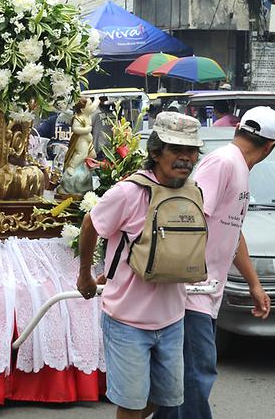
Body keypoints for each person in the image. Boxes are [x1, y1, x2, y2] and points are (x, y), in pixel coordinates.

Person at [156, 106, 275, 419]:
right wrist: (187, 276)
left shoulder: (237, 166)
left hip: (207, 291)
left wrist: (254, 283)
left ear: (239, 129)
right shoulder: (223, 162)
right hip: (192, 291)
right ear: (271, 146)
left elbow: (232, 231)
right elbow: (189, 218)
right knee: (197, 374)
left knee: (188, 377)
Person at [77, 111, 203, 418]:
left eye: (192, 151)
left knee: (163, 399)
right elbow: (90, 224)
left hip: (172, 319)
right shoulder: (128, 192)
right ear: (156, 152)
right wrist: (86, 277)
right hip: (127, 321)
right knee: (132, 405)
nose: (185, 158)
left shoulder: (193, 191)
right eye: (177, 150)